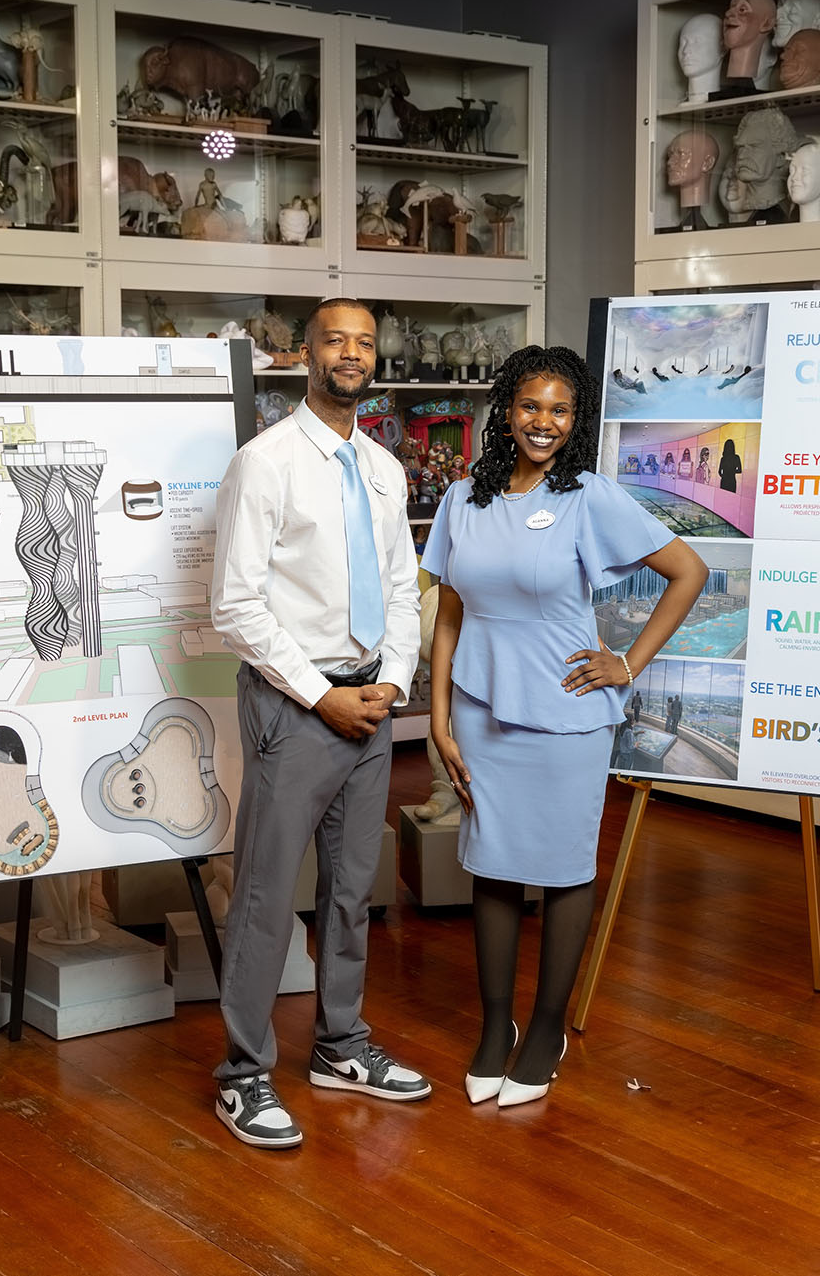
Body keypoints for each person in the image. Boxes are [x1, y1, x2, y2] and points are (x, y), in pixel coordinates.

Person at [423, 345, 704, 1108]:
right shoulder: (463, 500)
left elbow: (689, 572)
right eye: (530, 406)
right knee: (492, 861)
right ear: (506, 412)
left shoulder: (589, 496)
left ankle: (545, 1027)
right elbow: (450, 612)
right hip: (481, 709)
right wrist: (440, 714)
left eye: (560, 410)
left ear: (575, 421)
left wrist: (629, 662)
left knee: (563, 865)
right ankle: (495, 1027)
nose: (543, 422)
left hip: (567, 713)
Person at [208, 297, 427, 1151]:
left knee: (350, 888)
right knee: (266, 894)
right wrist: (319, 693)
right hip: (296, 708)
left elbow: (402, 588)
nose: (351, 353)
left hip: (370, 701)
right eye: (335, 339)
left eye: (366, 342)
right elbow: (235, 604)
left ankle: (339, 1044)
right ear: (305, 353)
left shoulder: (383, 466)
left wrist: (395, 680)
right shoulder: (264, 463)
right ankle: (243, 1071)